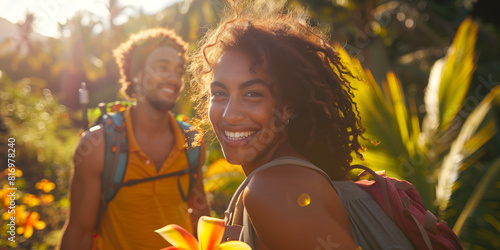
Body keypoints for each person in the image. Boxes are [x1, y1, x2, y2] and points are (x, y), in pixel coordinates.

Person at [188, 2, 416, 249]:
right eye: (219, 94)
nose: (230, 115)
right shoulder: (291, 175)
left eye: (253, 94)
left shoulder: (272, 190)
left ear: (288, 107)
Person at [60, 28, 210, 250]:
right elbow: (79, 234)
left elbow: (200, 218)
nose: (174, 78)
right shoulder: (98, 146)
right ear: (136, 74)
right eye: (162, 67)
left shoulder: (193, 141)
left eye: (179, 70)